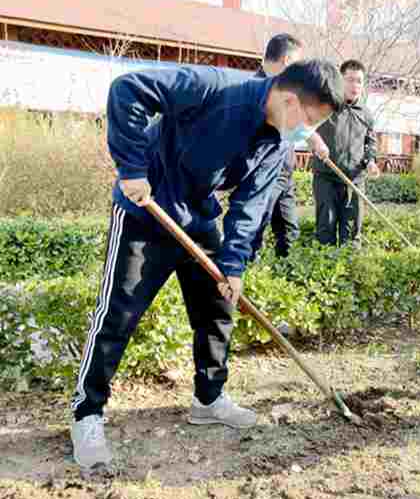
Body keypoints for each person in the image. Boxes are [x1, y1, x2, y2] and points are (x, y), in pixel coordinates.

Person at [70, 60, 344, 469]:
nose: (310, 132)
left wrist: (233, 266)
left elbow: (249, 208)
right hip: (146, 210)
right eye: (310, 120)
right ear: (289, 100)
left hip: (198, 217)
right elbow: (128, 90)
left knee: (218, 308)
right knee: (118, 314)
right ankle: (86, 413)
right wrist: (131, 168)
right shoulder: (214, 87)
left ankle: (208, 398)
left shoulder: (279, 144)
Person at [308, 59, 380, 247]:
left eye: (359, 81)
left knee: (351, 235)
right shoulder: (325, 105)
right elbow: (306, 128)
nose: (354, 85)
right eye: (349, 80)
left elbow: (370, 143)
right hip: (327, 179)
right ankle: (325, 274)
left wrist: (371, 161)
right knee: (326, 231)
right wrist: (317, 143)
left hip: (354, 183)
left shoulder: (366, 114)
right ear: (340, 80)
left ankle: (350, 272)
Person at [253, 33, 304, 258]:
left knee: (289, 229)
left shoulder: (286, 90)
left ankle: (286, 275)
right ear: (286, 60)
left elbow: (296, 125)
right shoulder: (253, 89)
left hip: (285, 172)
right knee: (255, 225)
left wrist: (314, 139)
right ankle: (248, 275)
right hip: (262, 172)